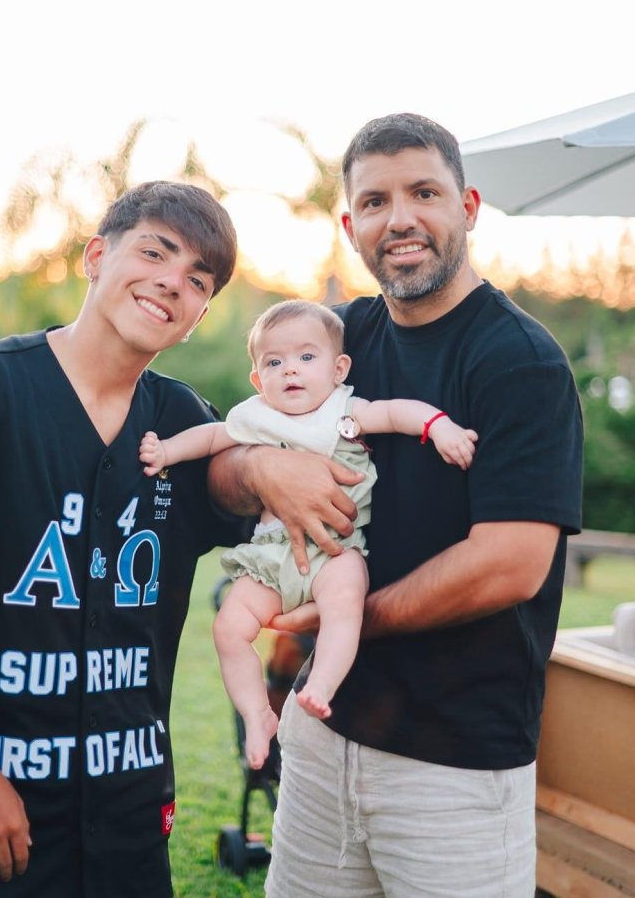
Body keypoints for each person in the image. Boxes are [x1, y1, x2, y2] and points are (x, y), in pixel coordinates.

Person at [208, 114, 584, 898]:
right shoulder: (333, 340)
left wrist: (345, 617)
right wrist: (265, 467)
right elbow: (223, 468)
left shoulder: (521, 362)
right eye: (375, 201)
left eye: (424, 193)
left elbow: (511, 565)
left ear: (468, 207)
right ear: (352, 227)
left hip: (455, 767)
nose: (400, 218)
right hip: (322, 740)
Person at [0, 181, 241, 897]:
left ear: (199, 316)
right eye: (155, 253)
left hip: (128, 817)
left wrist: (278, 466)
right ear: (95, 256)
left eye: (197, 280)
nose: (172, 282)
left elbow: (252, 489)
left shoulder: (186, 424)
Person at [139, 299, 477, 769]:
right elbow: (213, 437)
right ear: (258, 379)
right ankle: (257, 713)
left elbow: (396, 413)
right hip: (271, 557)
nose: (290, 370)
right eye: (274, 363)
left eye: (306, 357)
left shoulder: (345, 411)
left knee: (345, 603)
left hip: (335, 551)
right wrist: (167, 451)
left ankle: (321, 684)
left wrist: (437, 427)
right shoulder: (257, 416)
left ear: (339, 369)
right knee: (229, 628)